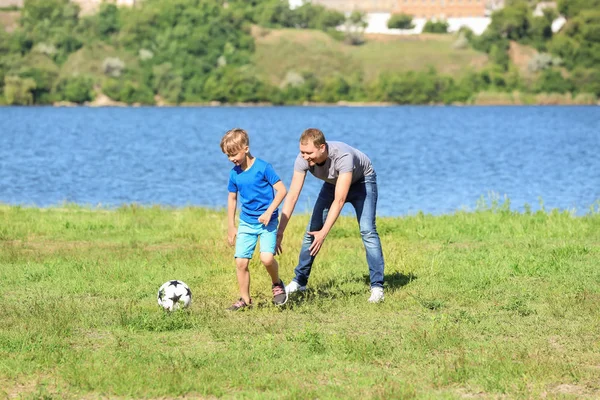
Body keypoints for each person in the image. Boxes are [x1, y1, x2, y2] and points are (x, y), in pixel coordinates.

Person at [276, 128, 385, 303]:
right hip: (333, 182)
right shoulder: (303, 159)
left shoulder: (343, 157)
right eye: (302, 152)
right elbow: (293, 195)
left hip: (363, 182)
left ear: (322, 147)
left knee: (368, 231)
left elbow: (340, 200)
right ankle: (299, 282)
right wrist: (280, 232)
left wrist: (324, 233)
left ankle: (377, 287)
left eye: (309, 152)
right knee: (312, 231)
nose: (305, 156)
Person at [220, 128, 288, 311]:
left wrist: (269, 212)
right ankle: (245, 300)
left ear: (246, 148)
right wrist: (231, 226)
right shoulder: (234, 174)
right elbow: (232, 198)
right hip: (247, 223)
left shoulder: (264, 167)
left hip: (268, 222)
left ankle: (277, 284)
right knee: (241, 262)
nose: (231, 159)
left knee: (267, 259)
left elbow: (282, 190)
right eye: (228, 155)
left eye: (234, 154)